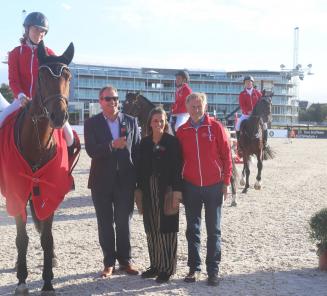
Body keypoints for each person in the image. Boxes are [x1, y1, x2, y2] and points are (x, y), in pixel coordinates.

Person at [84, 85, 141, 278]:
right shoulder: (91, 123)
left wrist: (139, 183)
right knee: (105, 223)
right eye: (108, 98)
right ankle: (109, 262)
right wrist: (111, 145)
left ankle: (125, 261)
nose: (113, 101)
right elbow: (91, 150)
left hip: (126, 181)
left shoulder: (132, 121)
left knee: (124, 223)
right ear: (101, 101)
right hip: (101, 182)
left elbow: (138, 151)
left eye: (115, 98)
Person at [176, 92, 232, 286]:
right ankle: (194, 268)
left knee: (214, 230)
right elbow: (178, 161)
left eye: (200, 106)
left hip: (214, 186)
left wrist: (225, 182)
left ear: (205, 106)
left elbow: (227, 156)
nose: (196, 109)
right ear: (187, 108)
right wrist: (179, 187)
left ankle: (213, 270)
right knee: (192, 229)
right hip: (190, 186)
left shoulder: (216, 127)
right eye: (193, 106)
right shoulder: (182, 131)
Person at [0, 11, 74, 149]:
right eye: (36, 29)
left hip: (45, 101)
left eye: (43, 32)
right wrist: (21, 96)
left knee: (70, 137)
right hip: (21, 100)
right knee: (1, 120)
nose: (39, 34)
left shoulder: (50, 53)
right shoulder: (16, 53)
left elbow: (55, 80)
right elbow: (13, 80)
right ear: (27, 30)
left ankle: (67, 164)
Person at [135, 107, 182, 283]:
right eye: (155, 121)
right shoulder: (144, 143)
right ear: (150, 123)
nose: (159, 124)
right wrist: (138, 190)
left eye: (161, 121)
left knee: (167, 229)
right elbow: (140, 169)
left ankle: (167, 268)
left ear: (165, 122)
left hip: (167, 190)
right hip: (148, 189)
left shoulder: (172, 142)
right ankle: (155, 265)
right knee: (151, 228)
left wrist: (177, 191)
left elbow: (177, 168)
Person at [235, 76, 268, 152]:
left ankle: (265, 143)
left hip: (257, 116)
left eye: (249, 82)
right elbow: (242, 105)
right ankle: (239, 145)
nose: (248, 83)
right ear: (244, 84)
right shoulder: (242, 94)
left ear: (252, 83)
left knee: (265, 126)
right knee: (237, 126)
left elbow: (261, 103)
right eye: (246, 82)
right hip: (246, 115)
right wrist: (248, 111)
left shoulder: (257, 93)